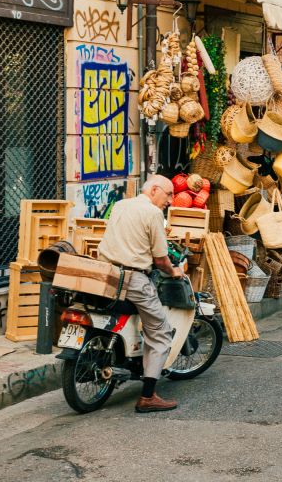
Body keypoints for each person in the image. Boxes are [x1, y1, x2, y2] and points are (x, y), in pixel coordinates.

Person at [96, 175, 185, 414]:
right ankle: (148, 396)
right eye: (168, 194)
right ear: (154, 190)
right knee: (160, 332)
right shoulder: (153, 214)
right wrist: (174, 271)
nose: (170, 200)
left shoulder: (121, 205)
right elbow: (160, 259)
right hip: (134, 279)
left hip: (107, 274)